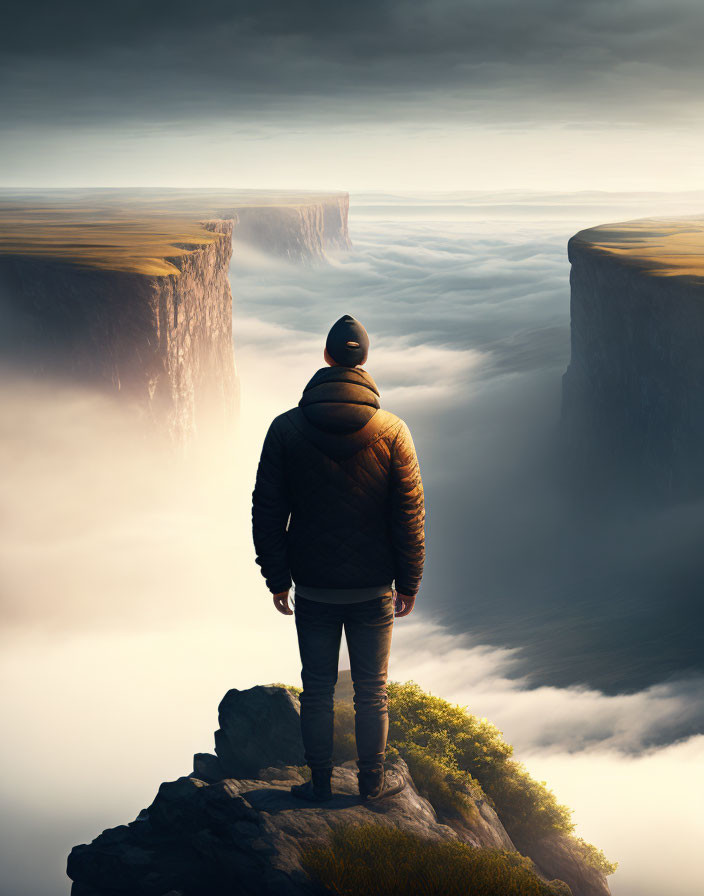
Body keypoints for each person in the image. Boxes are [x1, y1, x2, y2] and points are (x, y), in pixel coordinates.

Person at [251, 314, 425, 802]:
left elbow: (267, 510)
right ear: (363, 360)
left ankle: (321, 783)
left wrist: (277, 578)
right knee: (373, 690)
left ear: (327, 358)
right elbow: (408, 515)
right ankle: (371, 783)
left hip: (312, 585)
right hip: (374, 587)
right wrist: (409, 582)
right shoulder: (393, 431)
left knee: (318, 689)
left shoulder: (284, 429)